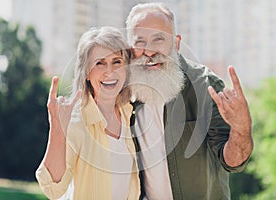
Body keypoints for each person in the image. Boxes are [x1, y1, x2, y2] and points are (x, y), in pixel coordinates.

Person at [126, 2, 253, 200]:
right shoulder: (126, 95)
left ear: (176, 43)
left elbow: (234, 162)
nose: (149, 51)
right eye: (140, 41)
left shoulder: (206, 86)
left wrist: (241, 129)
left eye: (158, 39)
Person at [35, 26, 140, 200]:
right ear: (86, 74)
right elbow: (53, 188)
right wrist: (57, 127)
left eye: (117, 61)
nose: (110, 72)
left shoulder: (131, 115)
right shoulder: (76, 121)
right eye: (100, 63)